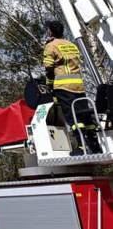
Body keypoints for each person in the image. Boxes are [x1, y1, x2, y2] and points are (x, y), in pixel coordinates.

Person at [43, 19, 101, 155]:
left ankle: (82, 147)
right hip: (79, 86)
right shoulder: (71, 45)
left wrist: (49, 84)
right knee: (85, 117)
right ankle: (95, 146)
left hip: (63, 86)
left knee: (72, 118)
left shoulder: (50, 46)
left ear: (50, 31)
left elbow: (49, 69)